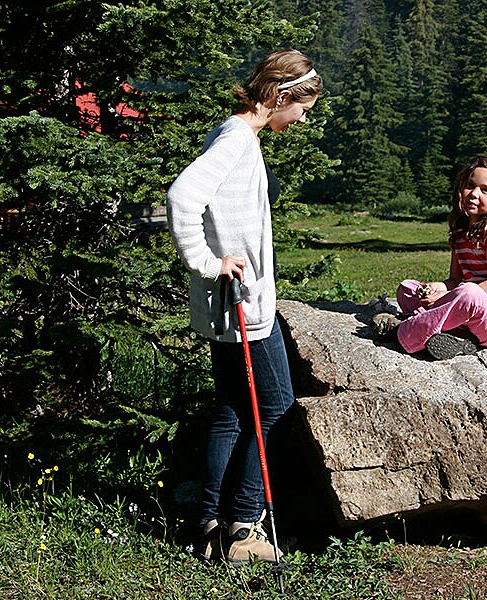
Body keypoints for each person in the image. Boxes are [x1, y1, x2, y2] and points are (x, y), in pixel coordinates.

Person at [166, 49, 321, 563]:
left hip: (226, 306)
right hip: (242, 305)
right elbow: (182, 196)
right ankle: (244, 528)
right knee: (274, 409)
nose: (302, 118)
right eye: (301, 107)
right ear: (280, 96)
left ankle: (209, 522)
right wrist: (209, 263)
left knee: (232, 410)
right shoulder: (236, 140)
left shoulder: (233, 134)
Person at [371, 156, 487, 360]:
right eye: (470, 185)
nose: (474, 194)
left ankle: (402, 332)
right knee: (407, 288)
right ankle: (458, 341)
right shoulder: (461, 232)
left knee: (469, 293)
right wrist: (437, 288)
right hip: (469, 311)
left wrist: (446, 298)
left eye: (485, 190)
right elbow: (454, 281)